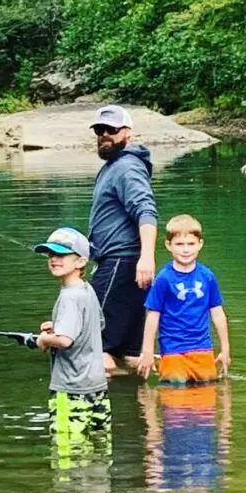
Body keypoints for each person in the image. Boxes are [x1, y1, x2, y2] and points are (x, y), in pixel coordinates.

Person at [25, 227, 111, 460]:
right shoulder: (87, 290)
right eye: (51, 254)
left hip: (71, 389)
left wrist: (44, 339)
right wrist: (58, 325)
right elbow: (96, 324)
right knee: (100, 451)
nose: (54, 259)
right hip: (97, 387)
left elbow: (64, 340)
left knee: (67, 453)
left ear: (81, 260)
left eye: (61, 254)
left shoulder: (69, 296)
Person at [87, 105, 158, 375]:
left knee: (93, 343)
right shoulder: (115, 166)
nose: (105, 135)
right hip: (126, 265)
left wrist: (147, 258)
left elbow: (146, 211)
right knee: (129, 353)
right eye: (100, 130)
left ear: (127, 132)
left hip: (120, 263)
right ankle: (143, 407)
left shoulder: (126, 167)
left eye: (112, 130)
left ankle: (104, 410)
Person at [136, 214, 231, 383]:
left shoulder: (207, 277)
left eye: (191, 244)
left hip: (203, 348)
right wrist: (148, 352)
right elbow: (152, 316)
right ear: (168, 245)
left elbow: (218, 313)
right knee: (175, 395)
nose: (186, 250)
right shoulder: (164, 279)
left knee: (207, 395)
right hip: (173, 350)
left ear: (200, 245)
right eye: (179, 244)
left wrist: (225, 349)